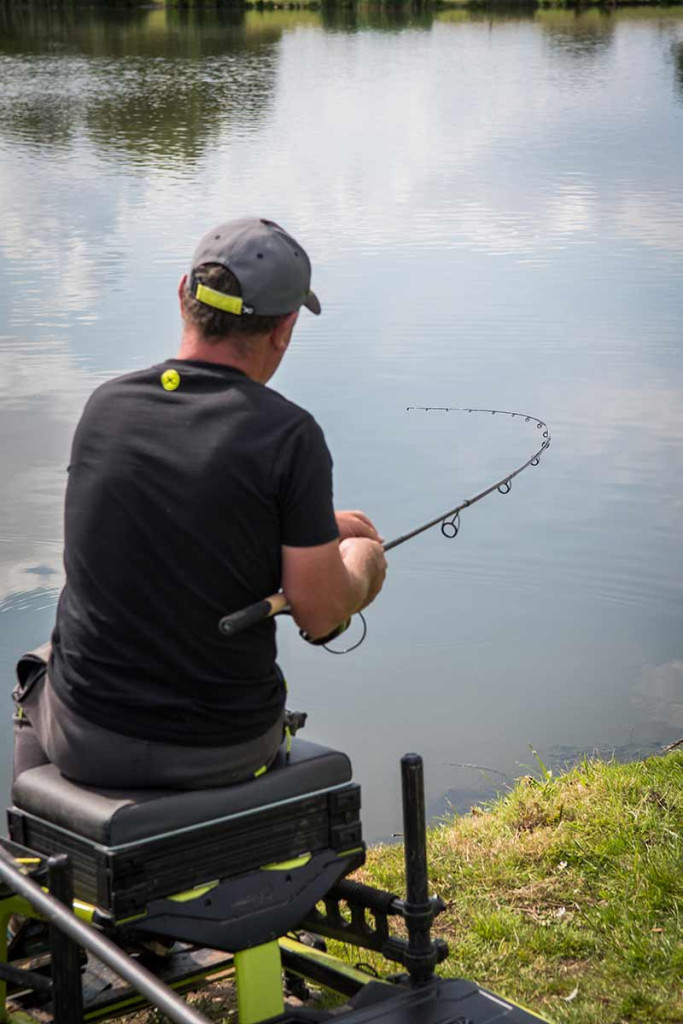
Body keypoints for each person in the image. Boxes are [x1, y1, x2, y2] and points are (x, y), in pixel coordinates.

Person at [13, 217, 387, 790]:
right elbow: (319, 614)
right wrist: (361, 564)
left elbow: (161, 525)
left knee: (42, 665)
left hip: (82, 738)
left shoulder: (108, 408)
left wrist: (310, 527)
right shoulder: (288, 436)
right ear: (285, 329)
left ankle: (30, 832)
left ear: (183, 294)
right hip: (223, 747)